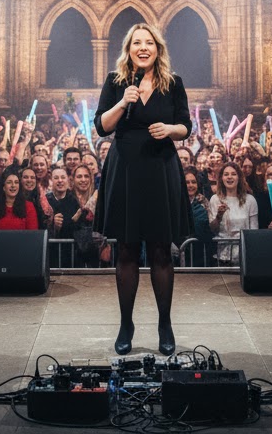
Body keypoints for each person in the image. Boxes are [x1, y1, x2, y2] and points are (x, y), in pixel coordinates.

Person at [93, 23, 192, 357]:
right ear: (129, 48)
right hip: (126, 171)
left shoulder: (173, 83)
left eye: (149, 42)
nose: (143, 47)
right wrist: (123, 103)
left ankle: (165, 324)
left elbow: (186, 126)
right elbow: (101, 126)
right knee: (126, 250)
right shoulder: (116, 81)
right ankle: (126, 324)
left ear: (157, 48)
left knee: (162, 250)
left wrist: (170, 129)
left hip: (161, 169)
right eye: (137, 43)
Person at [208, 161, 258, 262]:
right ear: (222, 179)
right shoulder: (215, 199)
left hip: (244, 255)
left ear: (239, 178)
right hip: (222, 256)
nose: (229, 177)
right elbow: (212, 229)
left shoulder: (250, 200)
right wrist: (219, 216)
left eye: (233, 174)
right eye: (226, 174)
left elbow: (254, 231)